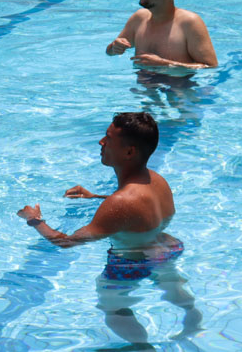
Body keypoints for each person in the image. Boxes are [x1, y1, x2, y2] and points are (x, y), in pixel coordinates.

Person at [17, 112, 182, 271]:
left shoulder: (121, 202)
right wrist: (94, 196)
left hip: (132, 264)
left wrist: (34, 220)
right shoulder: (157, 181)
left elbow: (66, 242)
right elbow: (138, 206)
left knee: (107, 292)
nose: (101, 142)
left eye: (108, 138)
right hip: (168, 247)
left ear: (129, 152)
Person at [105, 0, 217, 69]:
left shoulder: (189, 23)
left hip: (177, 82)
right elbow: (110, 52)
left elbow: (210, 66)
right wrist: (114, 47)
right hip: (143, 81)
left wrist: (165, 64)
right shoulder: (139, 18)